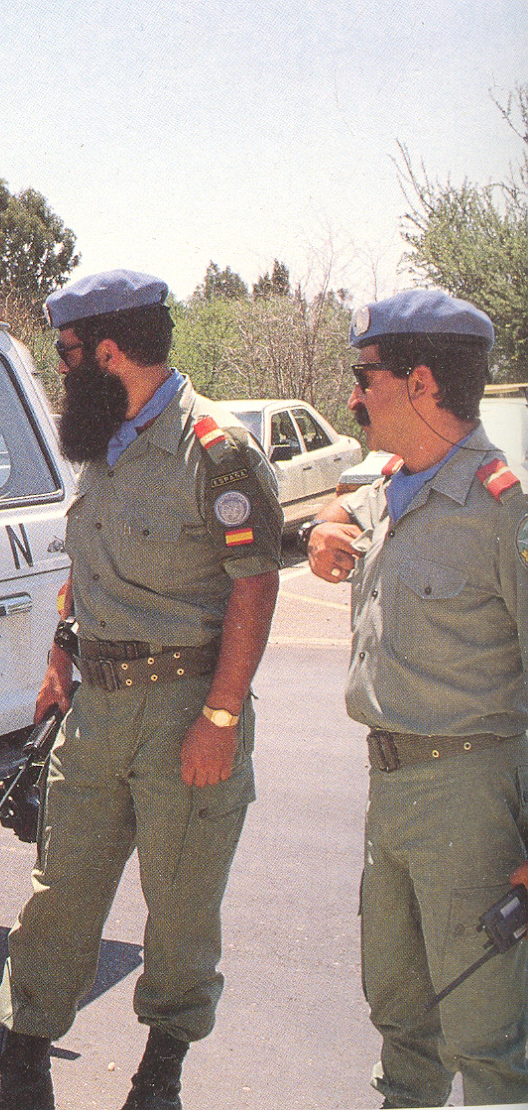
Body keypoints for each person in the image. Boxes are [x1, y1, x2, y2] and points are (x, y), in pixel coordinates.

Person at [0, 270, 283, 1110]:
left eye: (67, 357)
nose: (64, 376)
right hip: (94, 708)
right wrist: (62, 651)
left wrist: (221, 715)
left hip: (185, 708)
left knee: (180, 906)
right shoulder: (105, 439)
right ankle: (23, 1073)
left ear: (107, 351)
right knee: (58, 894)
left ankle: (157, 1081)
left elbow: (254, 585)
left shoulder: (215, 446)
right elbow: (89, 559)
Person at [303, 289, 528, 1106]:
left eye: (366, 376)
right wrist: (320, 524)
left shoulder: (505, 508)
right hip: (391, 789)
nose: (353, 395)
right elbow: (356, 507)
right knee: (403, 1023)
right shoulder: (397, 484)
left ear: (421, 382)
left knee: (491, 1042)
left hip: (473, 796)